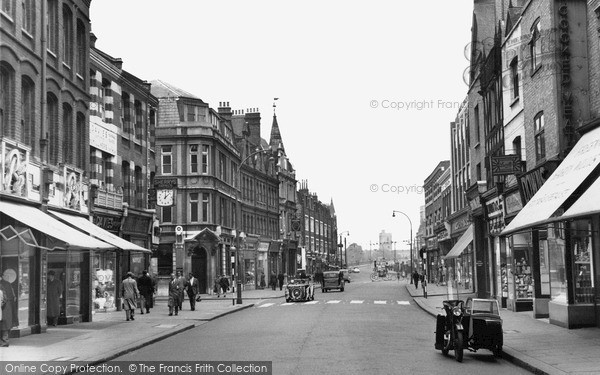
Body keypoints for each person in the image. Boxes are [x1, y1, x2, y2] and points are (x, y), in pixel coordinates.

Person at [0, 271, 16, 347]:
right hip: (7, 307)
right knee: (5, 325)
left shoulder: (2, 284)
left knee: (3, 324)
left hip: (3, 307)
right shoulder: (7, 284)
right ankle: (4, 341)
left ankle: (4, 342)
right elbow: (13, 296)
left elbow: (3, 298)